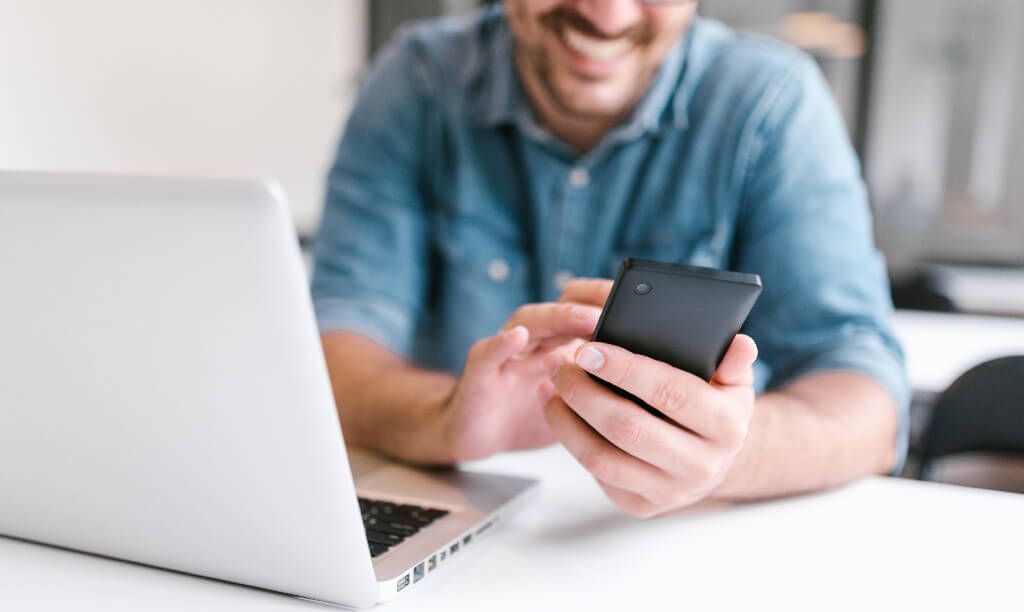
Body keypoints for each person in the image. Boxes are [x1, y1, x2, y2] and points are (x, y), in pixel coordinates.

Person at [310, 0, 909, 518]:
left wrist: (726, 457)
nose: (608, 15)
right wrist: (445, 420)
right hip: (460, 528)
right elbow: (337, 349)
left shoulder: (771, 102)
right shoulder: (419, 80)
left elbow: (869, 404)